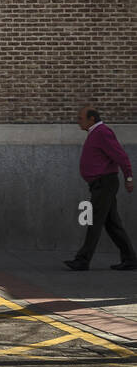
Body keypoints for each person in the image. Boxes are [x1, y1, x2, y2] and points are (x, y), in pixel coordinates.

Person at [65, 105, 136, 271]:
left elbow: (121, 156)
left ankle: (82, 260)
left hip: (104, 184)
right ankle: (130, 258)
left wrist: (129, 177)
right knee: (111, 224)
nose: (78, 122)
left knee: (94, 220)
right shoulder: (95, 133)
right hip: (100, 184)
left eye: (80, 118)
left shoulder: (103, 132)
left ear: (92, 119)